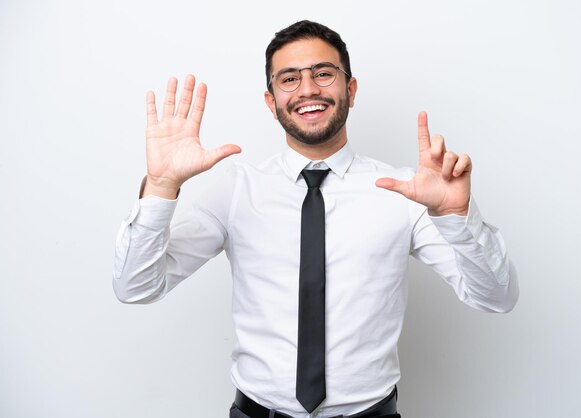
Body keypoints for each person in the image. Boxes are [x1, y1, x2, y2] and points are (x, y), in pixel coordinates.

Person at [113, 19, 518, 418]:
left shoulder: (406, 192)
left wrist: (455, 217)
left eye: (324, 73)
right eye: (289, 79)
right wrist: (161, 186)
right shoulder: (237, 189)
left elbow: (496, 298)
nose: (308, 89)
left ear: (351, 89)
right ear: (271, 102)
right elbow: (136, 287)